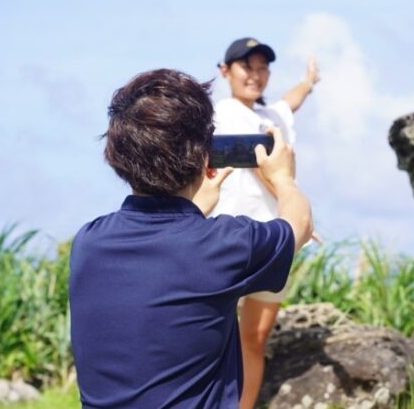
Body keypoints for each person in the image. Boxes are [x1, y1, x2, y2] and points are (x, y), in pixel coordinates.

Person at [69, 69, 313, 408]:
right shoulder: (224, 245)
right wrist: (284, 179)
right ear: (202, 152)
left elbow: (167, 254)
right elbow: (298, 224)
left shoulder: (89, 242)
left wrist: (193, 208)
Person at [211, 37, 320, 409]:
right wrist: (297, 208)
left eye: (263, 68)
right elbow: (262, 167)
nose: (256, 76)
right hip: (231, 234)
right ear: (225, 72)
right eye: (247, 67)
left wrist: (309, 82)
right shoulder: (223, 112)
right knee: (217, 335)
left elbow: (289, 104)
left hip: (274, 237)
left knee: (254, 339)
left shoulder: (271, 115)